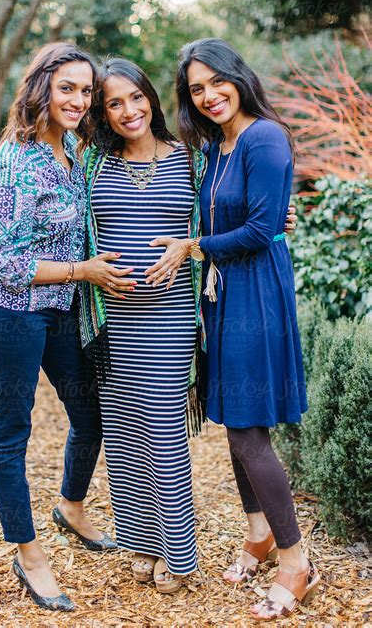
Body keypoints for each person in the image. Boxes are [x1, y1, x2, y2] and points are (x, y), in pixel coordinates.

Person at [0, 42, 133, 612]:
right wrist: (85, 270)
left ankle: (71, 508)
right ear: (41, 87)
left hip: (61, 303)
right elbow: (7, 262)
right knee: (11, 431)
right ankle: (29, 554)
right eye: (68, 87)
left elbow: (148, 156)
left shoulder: (75, 149)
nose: (80, 99)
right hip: (8, 309)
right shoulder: (15, 161)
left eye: (86, 91)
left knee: (91, 415)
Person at [171, 37, 320, 621]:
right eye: (196, 89)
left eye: (216, 81)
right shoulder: (216, 146)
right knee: (235, 417)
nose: (209, 96)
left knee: (247, 431)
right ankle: (257, 534)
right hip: (225, 293)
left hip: (257, 291)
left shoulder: (263, 136)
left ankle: (295, 560)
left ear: (238, 75)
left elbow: (260, 229)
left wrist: (193, 246)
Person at [79, 57, 207, 594]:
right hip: (114, 322)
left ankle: (179, 554)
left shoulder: (191, 159)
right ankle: (141, 541)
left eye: (136, 97)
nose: (129, 110)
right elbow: (64, 227)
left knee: (162, 430)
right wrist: (90, 271)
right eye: (114, 103)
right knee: (125, 434)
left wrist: (277, 217)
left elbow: (227, 216)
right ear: (103, 113)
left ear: (150, 98)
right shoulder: (89, 165)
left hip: (171, 318)